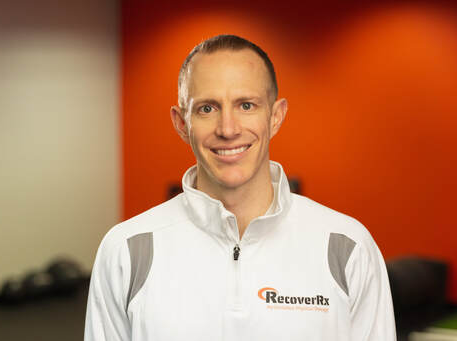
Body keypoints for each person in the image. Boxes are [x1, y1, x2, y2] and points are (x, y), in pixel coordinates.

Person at [84, 34, 396, 341]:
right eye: (207, 108)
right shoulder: (127, 251)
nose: (228, 129)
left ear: (275, 117)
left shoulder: (347, 247)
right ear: (181, 123)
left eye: (246, 105)